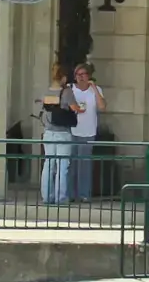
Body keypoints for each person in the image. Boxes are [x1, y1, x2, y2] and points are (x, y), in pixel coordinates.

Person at [39, 68, 81, 205]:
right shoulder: (67, 92)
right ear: (63, 77)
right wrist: (80, 108)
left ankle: (47, 196)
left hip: (48, 132)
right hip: (63, 132)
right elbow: (75, 108)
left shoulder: (47, 91)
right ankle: (60, 197)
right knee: (62, 166)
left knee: (48, 164)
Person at [67, 63, 106, 201]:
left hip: (88, 131)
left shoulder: (96, 90)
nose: (81, 77)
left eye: (84, 74)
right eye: (78, 75)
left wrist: (94, 88)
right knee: (71, 164)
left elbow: (102, 107)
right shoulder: (70, 89)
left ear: (89, 76)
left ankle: (84, 194)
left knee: (84, 163)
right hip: (72, 130)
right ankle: (70, 194)